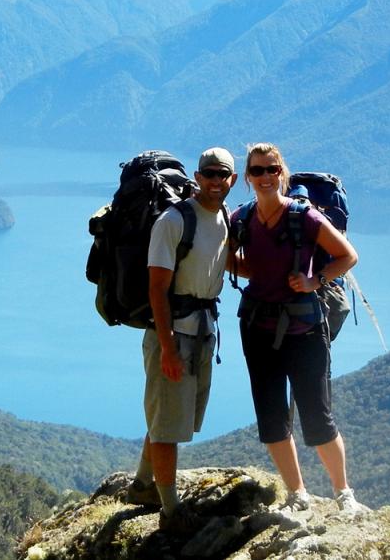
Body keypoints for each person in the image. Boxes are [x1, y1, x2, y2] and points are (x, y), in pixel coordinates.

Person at [229, 142, 368, 513]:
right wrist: (251, 271)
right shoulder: (241, 218)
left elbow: (347, 255)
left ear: (282, 174)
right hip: (258, 327)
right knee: (272, 416)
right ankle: (298, 494)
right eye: (257, 171)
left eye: (271, 169)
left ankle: (343, 494)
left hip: (305, 329)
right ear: (247, 177)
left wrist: (315, 280)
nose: (264, 177)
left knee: (317, 416)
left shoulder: (303, 216)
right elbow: (231, 259)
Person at [121, 147, 238, 530]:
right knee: (169, 425)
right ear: (197, 178)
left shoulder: (223, 218)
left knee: (168, 416)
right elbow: (157, 290)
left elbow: (228, 264)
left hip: (203, 333)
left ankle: (142, 484)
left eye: (223, 174)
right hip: (174, 336)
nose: (216, 181)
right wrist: (168, 349)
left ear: (232, 180)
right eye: (209, 174)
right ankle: (171, 511)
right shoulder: (174, 221)